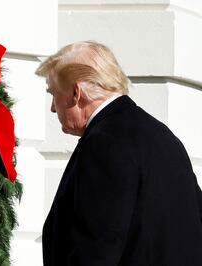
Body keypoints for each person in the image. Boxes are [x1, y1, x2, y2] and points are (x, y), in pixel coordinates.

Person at [35, 41, 202, 266]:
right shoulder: (164, 137)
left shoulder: (104, 144)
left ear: (76, 93)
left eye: (53, 94)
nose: (53, 108)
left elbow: (96, 250)